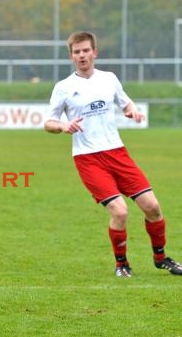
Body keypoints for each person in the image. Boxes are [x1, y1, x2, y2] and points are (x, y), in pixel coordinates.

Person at [44, 31, 182, 278]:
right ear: (71, 56)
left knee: (152, 207)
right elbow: (49, 122)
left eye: (86, 50)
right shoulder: (64, 87)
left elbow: (126, 103)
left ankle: (161, 258)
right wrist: (63, 126)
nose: (82, 55)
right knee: (120, 211)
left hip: (117, 153)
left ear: (94, 52)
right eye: (77, 52)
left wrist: (133, 111)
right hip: (88, 158)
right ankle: (121, 264)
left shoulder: (109, 79)